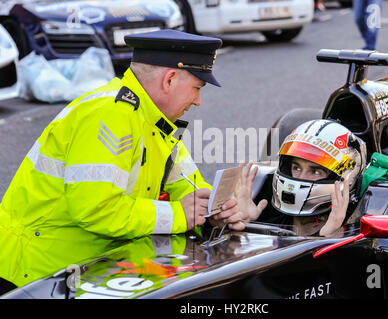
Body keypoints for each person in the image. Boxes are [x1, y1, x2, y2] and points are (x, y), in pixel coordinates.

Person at [0, 30, 240, 293]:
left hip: (84, 269)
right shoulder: (109, 116)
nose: (198, 101)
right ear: (169, 79)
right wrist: (179, 214)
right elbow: (96, 210)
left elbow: (188, 187)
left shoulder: (155, 121)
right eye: (196, 88)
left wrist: (212, 209)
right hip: (36, 273)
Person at [228, 119, 367, 237]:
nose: (300, 178)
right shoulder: (273, 218)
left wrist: (328, 237)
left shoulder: (357, 232)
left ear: (345, 178)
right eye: (296, 168)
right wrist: (246, 224)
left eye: (315, 171)